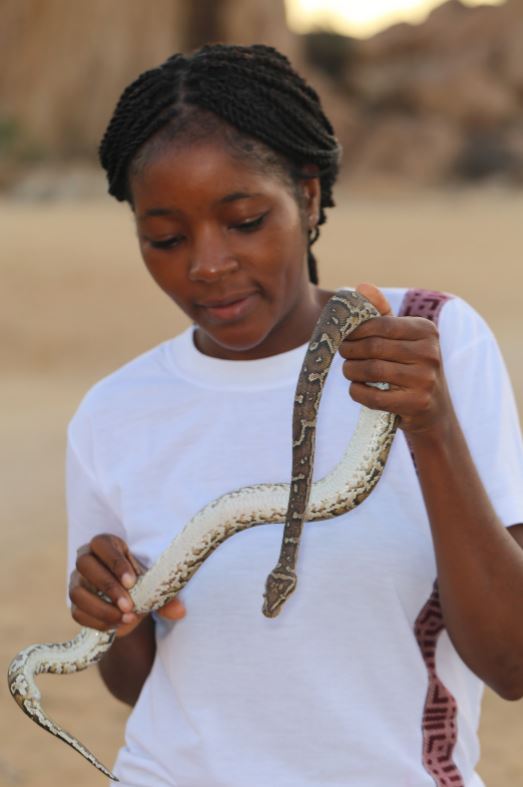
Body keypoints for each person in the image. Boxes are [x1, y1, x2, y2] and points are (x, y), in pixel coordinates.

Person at [67, 43, 523, 787]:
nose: (207, 264)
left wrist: (431, 426)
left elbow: (509, 661)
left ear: (308, 198)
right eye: (166, 238)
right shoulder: (114, 412)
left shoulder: (424, 341)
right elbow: (137, 683)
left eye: (243, 220)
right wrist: (109, 613)